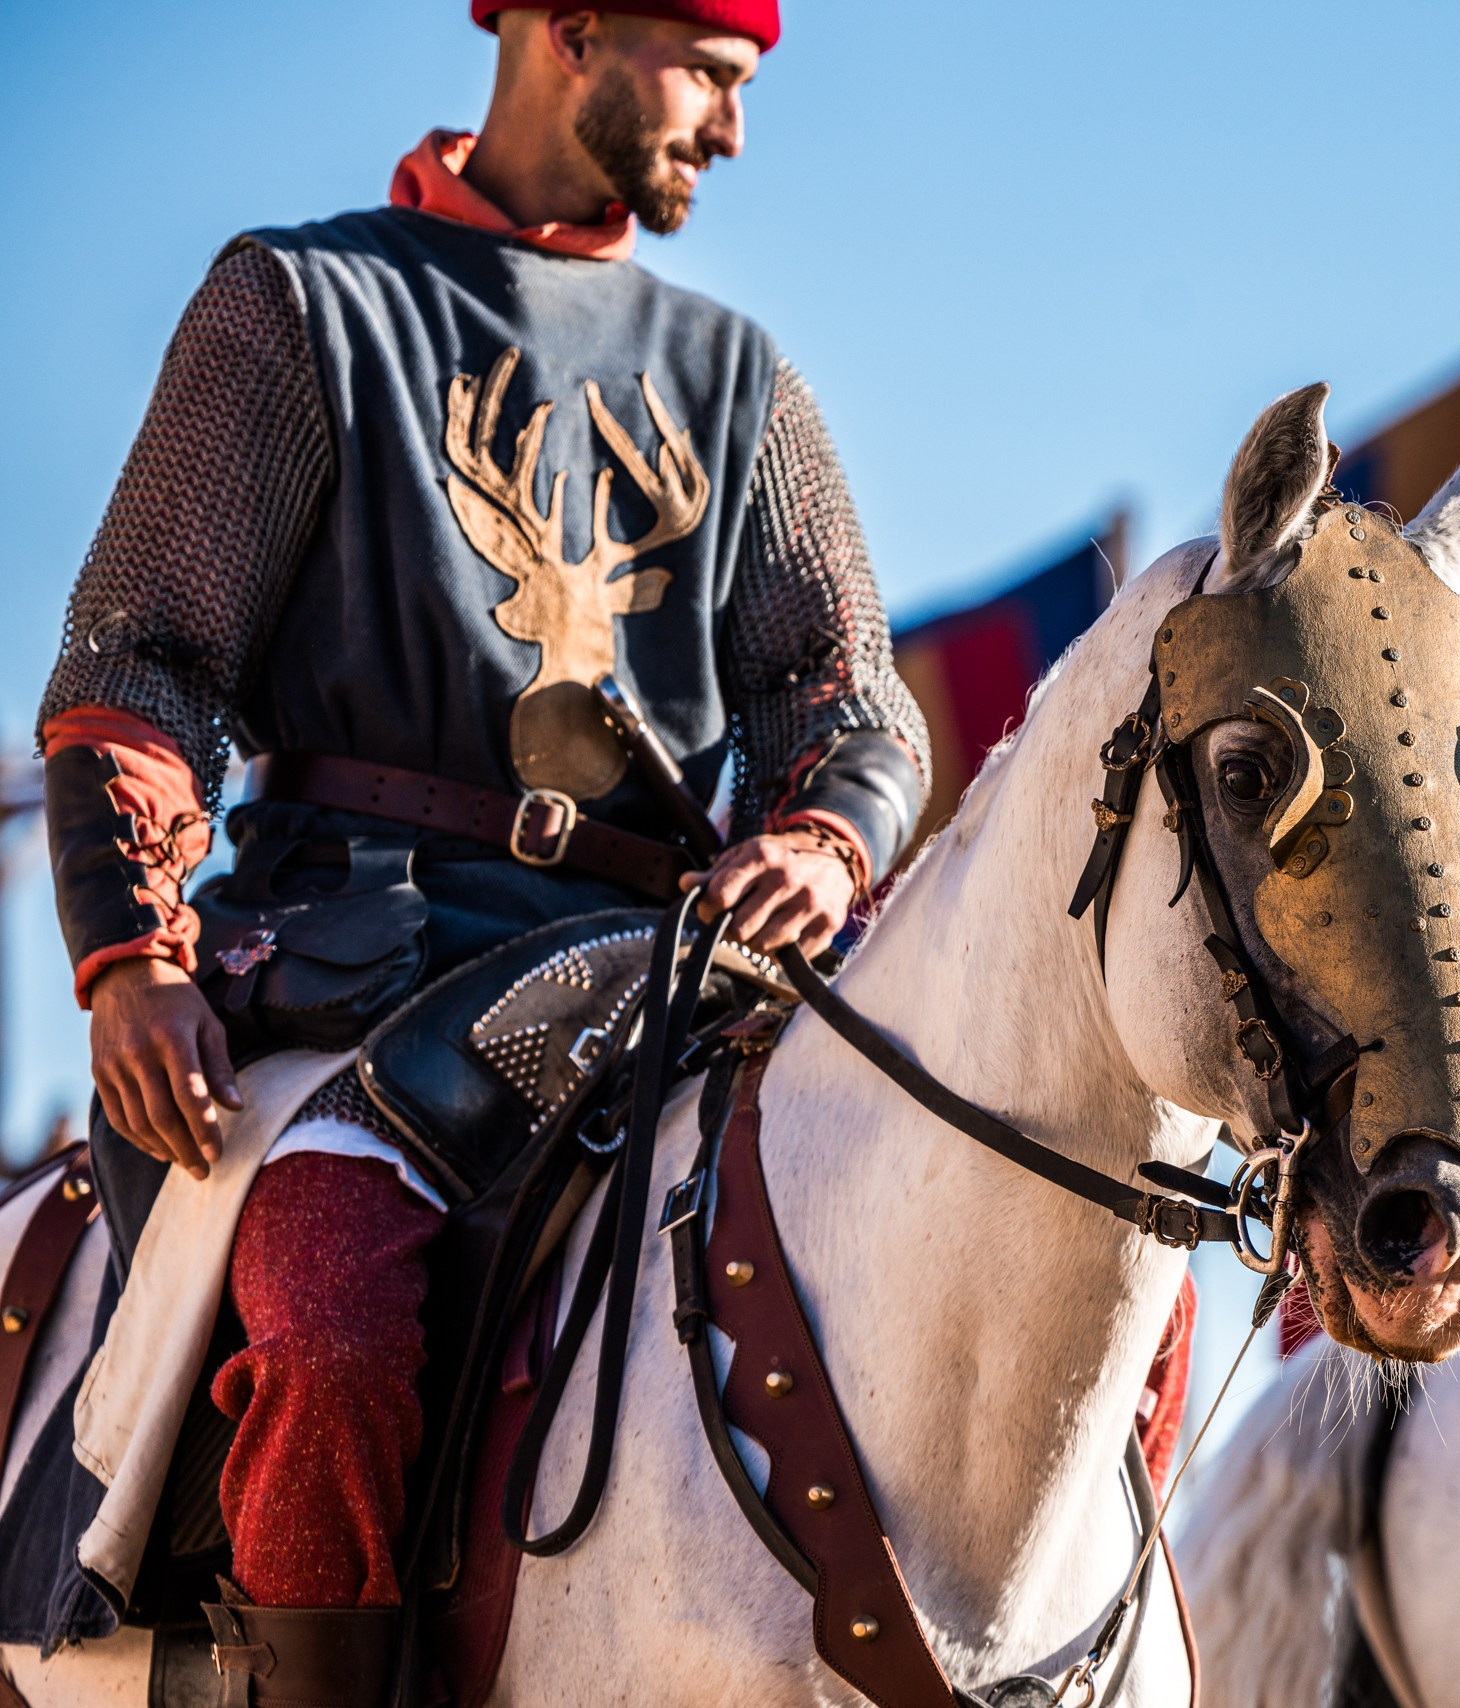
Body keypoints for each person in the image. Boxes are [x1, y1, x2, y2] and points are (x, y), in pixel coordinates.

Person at [35, 3, 926, 1694]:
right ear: (574, 31)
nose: (733, 135)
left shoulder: (742, 381)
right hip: (345, 975)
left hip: (649, 989)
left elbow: (847, 695)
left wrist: (824, 829)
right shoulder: (297, 304)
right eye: (715, 79)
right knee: (333, 1291)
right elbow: (144, 660)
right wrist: (133, 959)